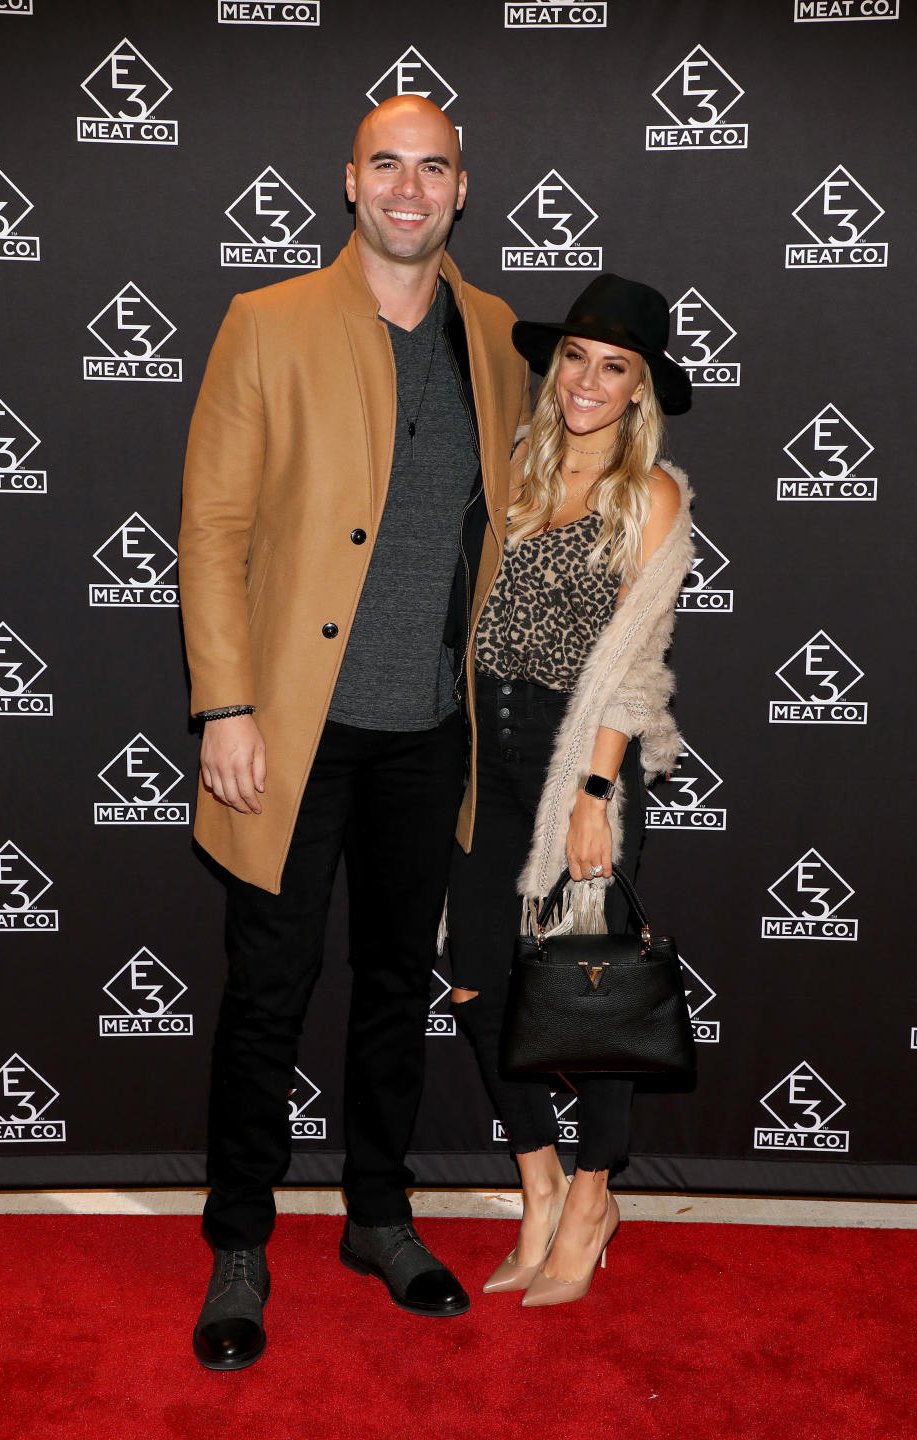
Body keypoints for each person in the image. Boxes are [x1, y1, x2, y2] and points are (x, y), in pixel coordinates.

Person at [178, 94, 528, 1369]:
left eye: (432, 168)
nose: (408, 186)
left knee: (395, 987)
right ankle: (238, 1241)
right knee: (270, 990)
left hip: (431, 729)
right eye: (387, 163)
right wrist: (223, 704)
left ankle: (378, 1214)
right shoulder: (265, 322)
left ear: (461, 190)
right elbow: (211, 530)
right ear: (348, 182)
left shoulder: (494, 334)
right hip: (288, 727)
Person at [447, 273, 694, 1307]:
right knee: (475, 982)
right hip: (480, 758)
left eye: (616, 368)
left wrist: (595, 788)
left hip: (574, 762)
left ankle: (595, 1199)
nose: (590, 383)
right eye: (578, 362)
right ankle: (538, 1182)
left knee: (586, 995)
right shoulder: (511, 471)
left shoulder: (655, 496)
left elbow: (637, 661)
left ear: (641, 389)